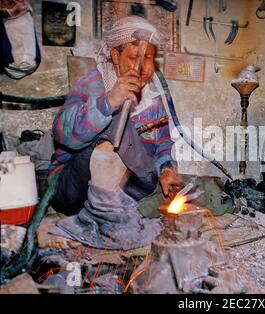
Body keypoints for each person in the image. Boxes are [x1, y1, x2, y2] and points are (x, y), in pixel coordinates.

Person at [48, 16, 183, 250]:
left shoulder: (154, 99)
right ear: (114, 56)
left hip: (124, 192)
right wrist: (110, 101)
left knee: (165, 189)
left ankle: (114, 217)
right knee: (113, 127)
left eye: (148, 58)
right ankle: (103, 223)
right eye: (133, 58)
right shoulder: (92, 83)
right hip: (73, 191)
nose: (141, 67)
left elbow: (162, 146)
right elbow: (62, 135)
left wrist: (167, 170)